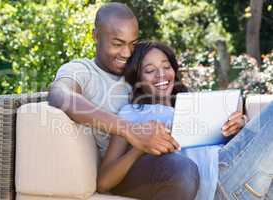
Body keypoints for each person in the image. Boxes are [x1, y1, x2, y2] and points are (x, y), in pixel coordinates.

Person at [48, 3, 199, 199]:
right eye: (117, 44)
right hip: (124, 169)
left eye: (132, 44)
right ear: (95, 36)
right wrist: (131, 131)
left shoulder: (138, 70)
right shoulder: (82, 70)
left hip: (162, 153)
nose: (127, 53)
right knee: (180, 170)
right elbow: (60, 95)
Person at [98, 40, 273, 200]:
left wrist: (239, 127)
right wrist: (139, 148)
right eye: (150, 70)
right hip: (218, 181)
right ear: (137, 78)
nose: (161, 75)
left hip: (241, 169)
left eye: (166, 67)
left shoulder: (191, 103)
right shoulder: (132, 113)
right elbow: (104, 181)